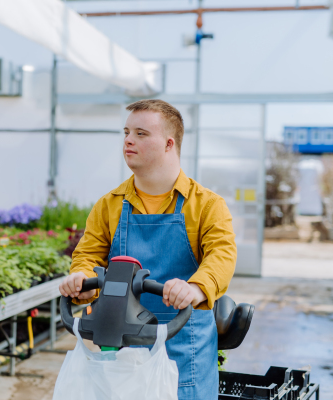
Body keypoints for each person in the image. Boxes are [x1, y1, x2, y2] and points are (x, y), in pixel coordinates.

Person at [59, 99, 237, 400]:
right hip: (121, 344)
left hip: (183, 347)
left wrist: (195, 288)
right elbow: (89, 255)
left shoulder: (206, 205)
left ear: (169, 144)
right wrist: (82, 279)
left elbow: (222, 254)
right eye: (127, 132)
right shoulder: (110, 205)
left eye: (141, 133)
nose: (128, 139)